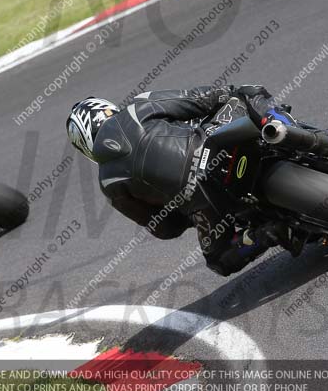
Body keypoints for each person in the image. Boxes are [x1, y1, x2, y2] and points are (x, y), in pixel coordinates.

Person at [66, 85, 308, 277]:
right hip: (214, 144)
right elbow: (199, 98)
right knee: (248, 92)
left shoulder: (108, 184)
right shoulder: (136, 107)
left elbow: (164, 228)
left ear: (84, 144)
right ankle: (290, 133)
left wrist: (189, 214)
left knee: (219, 260)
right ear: (107, 109)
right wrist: (226, 93)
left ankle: (270, 233)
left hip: (201, 199)